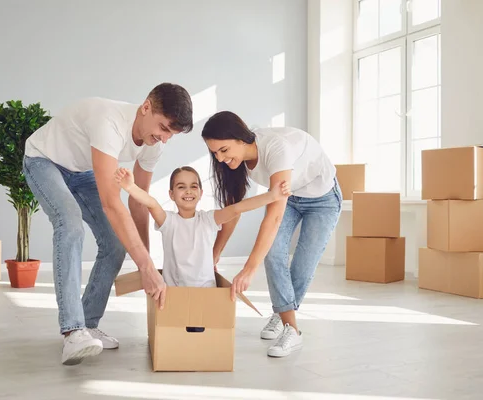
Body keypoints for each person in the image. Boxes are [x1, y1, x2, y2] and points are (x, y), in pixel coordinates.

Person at [22, 83, 193, 365]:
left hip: (80, 171)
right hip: (43, 161)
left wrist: (144, 261)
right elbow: (112, 203)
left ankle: (88, 324)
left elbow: (138, 201)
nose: (163, 138)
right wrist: (148, 269)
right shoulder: (109, 122)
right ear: (146, 106)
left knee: (115, 244)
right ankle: (72, 331)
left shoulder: (154, 143)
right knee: (70, 223)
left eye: (170, 135)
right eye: (163, 128)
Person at [201, 111, 342, 358]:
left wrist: (248, 269)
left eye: (223, 150)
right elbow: (233, 211)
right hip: (289, 195)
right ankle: (292, 327)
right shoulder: (237, 162)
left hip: (323, 200)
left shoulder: (276, 149)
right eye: (215, 153)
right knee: (273, 253)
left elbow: (274, 217)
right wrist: (215, 253)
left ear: (240, 139)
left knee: (302, 264)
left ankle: (282, 316)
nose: (220, 158)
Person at [114, 166, 291, 289]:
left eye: (193, 186)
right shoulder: (168, 221)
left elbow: (237, 208)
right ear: (171, 194)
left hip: (206, 291)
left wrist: (272, 195)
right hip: (174, 293)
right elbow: (151, 203)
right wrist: (130, 187)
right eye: (181, 187)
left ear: (200, 193)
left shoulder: (208, 219)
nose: (188, 191)